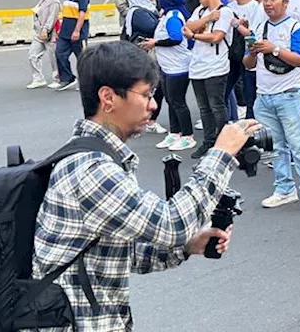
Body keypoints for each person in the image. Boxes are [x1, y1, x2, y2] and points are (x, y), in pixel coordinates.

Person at [32, 41, 260, 331]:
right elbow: (171, 224)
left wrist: (187, 246)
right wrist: (221, 154)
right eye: (146, 94)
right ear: (108, 97)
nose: (153, 105)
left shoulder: (98, 157)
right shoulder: (92, 169)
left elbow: (121, 252)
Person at [246, 0, 300, 213]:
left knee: (299, 145)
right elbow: (248, 64)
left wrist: (275, 49)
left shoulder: (295, 27)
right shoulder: (259, 28)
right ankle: (284, 189)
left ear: (286, 2)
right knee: (274, 147)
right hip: (264, 95)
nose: (268, 3)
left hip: (290, 94)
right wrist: (251, 53)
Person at [184, 0, 233, 159]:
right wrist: (206, 19)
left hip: (216, 67)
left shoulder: (225, 12)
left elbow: (216, 37)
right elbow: (187, 27)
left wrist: (194, 35)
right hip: (197, 66)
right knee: (204, 108)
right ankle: (208, 141)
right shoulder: (201, 10)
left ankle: (223, 143)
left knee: (217, 106)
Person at [147, 0, 196, 152]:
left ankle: (187, 136)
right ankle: (175, 132)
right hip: (168, 66)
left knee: (178, 101)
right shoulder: (167, 14)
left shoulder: (174, 16)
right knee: (170, 100)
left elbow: (176, 38)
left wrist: (155, 43)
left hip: (178, 67)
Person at [50, 0, 90, 92]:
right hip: (65, 32)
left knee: (82, 58)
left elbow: (82, 14)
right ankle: (67, 78)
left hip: (78, 32)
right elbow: (66, 14)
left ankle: (87, 82)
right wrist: (59, 30)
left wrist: (77, 31)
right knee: (59, 54)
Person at [28, 0, 60, 89]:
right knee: (33, 55)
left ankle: (57, 78)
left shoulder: (53, 1)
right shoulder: (43, 0)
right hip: (39, 33)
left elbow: (52, 17)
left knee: (53, 57)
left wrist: (46, 29)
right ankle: (38, 78)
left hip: (50, 33)